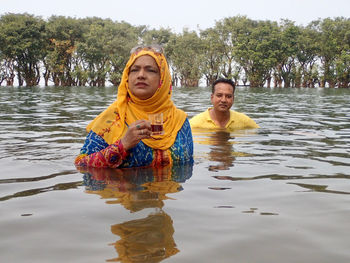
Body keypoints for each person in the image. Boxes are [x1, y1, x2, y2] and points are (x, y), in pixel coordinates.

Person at [75, 44, 193, 168]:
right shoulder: (111, 119)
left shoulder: (179, 121)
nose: (141, 75)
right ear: (127, 77)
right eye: (135, 70)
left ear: (162, 79)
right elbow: (81, 165)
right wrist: (123, 145)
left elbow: (188, 165)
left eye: (150, 70)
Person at [189, 78, 259, 130]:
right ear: (212, 97)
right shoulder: (194, 124)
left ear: (233, 99)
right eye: (219, 95)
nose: (223, 100)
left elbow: (259, 133)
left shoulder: (244, 121)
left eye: (228, 96)